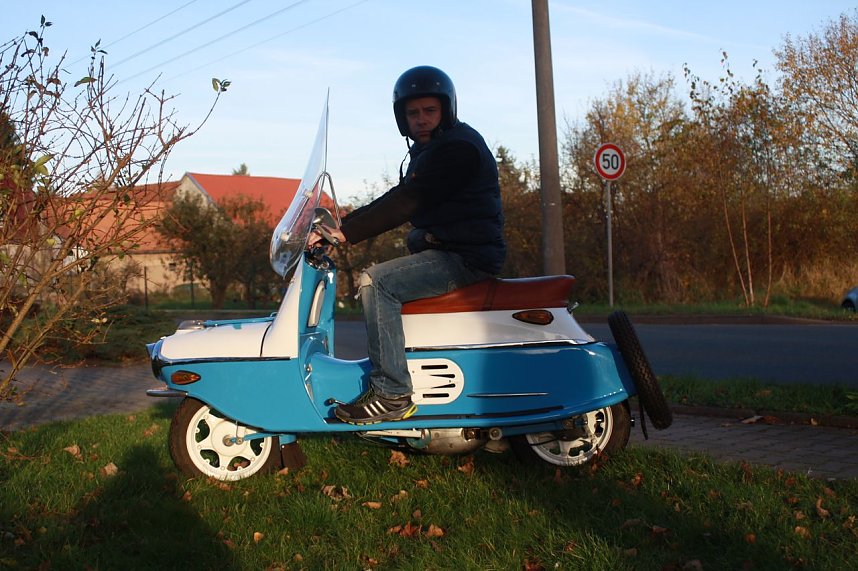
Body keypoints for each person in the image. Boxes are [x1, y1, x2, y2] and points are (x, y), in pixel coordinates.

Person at [308, 65, 506, 425]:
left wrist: (346, 234)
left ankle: (392, 394)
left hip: (467, 258)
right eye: (412, 113)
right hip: (453, 251)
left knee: (377, 281)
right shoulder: (432, 149)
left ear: (447, 110)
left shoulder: (457, 149)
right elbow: (399, 195)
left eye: (429, 111)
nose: (421, 119)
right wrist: (339, 226)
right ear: (402, 118)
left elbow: (409, 201)